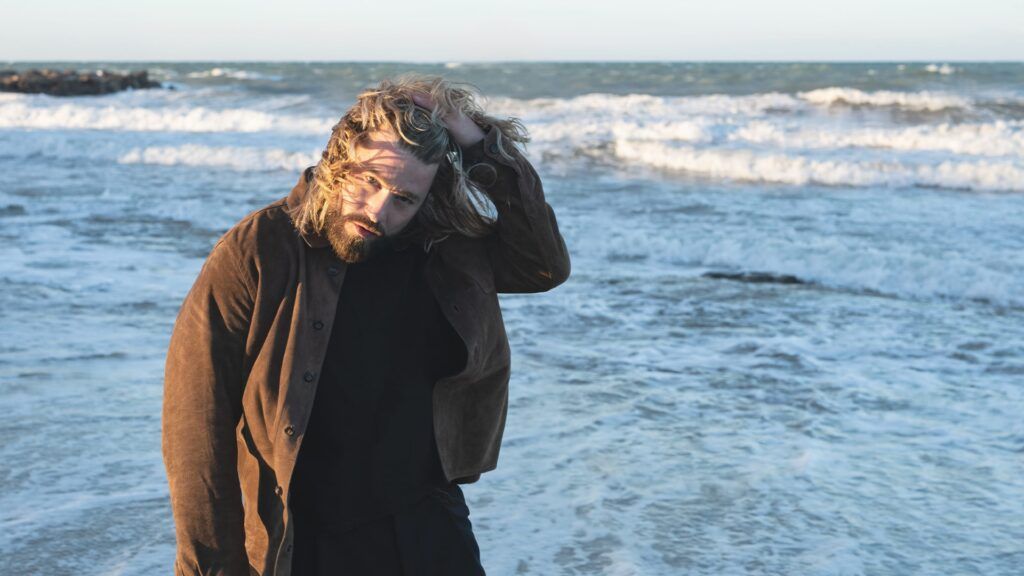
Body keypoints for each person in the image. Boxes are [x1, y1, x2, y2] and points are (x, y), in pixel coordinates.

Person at [161, 75, 571, 576]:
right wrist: (212, 568)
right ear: (338, 161)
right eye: (369, 181)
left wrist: (478, 143)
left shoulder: (443, 247)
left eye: (404, 198)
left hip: (427, 524)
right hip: (301, 538)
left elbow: (542, 266)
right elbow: (195, 420)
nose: (379, 210)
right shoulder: (261, 250)